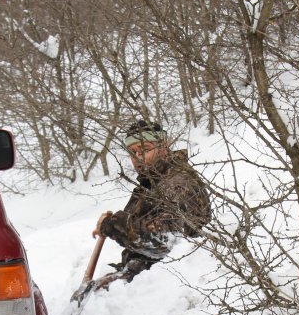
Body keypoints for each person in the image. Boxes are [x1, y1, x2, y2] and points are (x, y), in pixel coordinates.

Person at [90, 119, 211, 290]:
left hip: (169, 285)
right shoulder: (151, 183)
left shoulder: (178, 183)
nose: (138, 158)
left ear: (164, 146)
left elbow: (163, 241)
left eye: (145, 149)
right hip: (143, 274)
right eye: (133, 153)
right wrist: (109, 226)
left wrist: (113, 224)